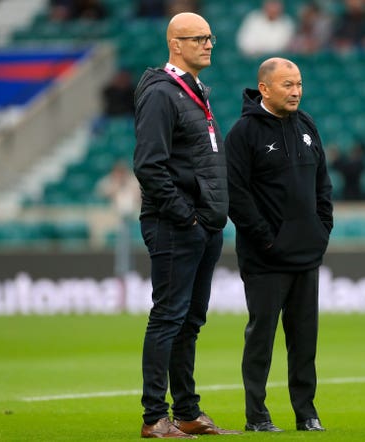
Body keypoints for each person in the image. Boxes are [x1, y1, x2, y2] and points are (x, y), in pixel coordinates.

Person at [132, 12, 240, 439]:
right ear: (175, 44)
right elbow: (149, 166)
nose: (208, 44)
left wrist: (207, 219)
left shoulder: (193, 91)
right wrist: (187, 217)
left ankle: (188, 412)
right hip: (177, 224)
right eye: (198, 38)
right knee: (168, 317)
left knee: (190, 321)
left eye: (210, 37)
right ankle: (154, 416)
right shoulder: (162, 93)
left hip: (204, 224)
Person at [225, 57, 333, 432]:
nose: (297, 91)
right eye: (288, 84)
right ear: (265, 88)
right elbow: (235, 196)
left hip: (306, 254)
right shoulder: (243, 133)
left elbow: (323, 185)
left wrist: (322, 230)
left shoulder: (307, 125)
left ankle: (307, 413)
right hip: (266, 258)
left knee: (304, 340)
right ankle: (257, 415)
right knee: (262, 337)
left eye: (299, 83)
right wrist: (267, 240)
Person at [95, 161, 141, 277]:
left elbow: (139, 197)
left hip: (132, 218)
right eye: (118, 173)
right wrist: (116, 186)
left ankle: (126, 269)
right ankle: (121, 269)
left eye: (122, 172)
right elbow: (101, 193)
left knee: (126, 233)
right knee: (122, 233)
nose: (121, 175)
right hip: (113, 218)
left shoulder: (132, 182)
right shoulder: (109, 182)